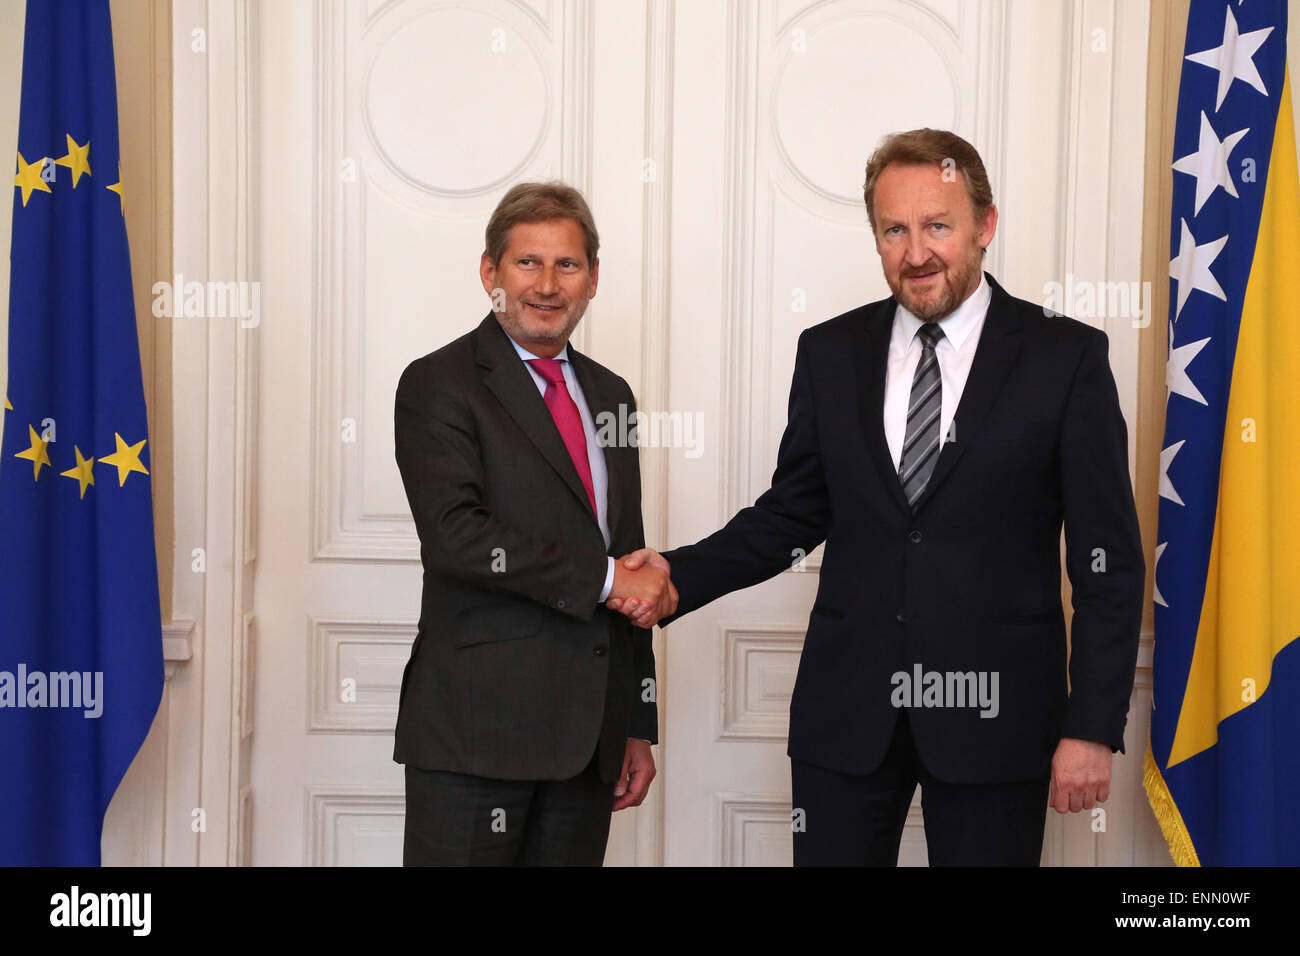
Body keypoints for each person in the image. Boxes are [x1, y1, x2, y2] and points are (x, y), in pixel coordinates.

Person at [611, 129, 1144, 866]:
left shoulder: (1066, 358)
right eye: (895, 229)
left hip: (997, 718)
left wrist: (1091, 725)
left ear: (985, 226)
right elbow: (794, 513)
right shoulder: (831, 352)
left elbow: (1108, 562)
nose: (916, 252)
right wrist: (676, 575)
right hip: (847, 715)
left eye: (938, 226)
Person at [393, 181, 676, 865]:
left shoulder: (611, 395)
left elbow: (626, 549)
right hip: (474, 737)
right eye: (527, 263)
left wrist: (635, 724)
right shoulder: (438, 384)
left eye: (568, 265)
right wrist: (610, 580)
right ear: (490, 272)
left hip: (589, 743)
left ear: (594, 279)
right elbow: (458, 537)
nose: (548, 285)